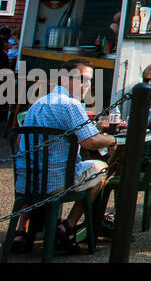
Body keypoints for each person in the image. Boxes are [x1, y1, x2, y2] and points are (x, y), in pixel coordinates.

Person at [11, 60, 114, 254]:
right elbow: (90, 142)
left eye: (90, 81)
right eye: (81, 79)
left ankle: (21, 230)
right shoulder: (70, 105)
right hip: (55, 183)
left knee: (50, 165)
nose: (86, 85)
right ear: (64, 78)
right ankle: (68, 225)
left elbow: (19, 142)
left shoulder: (39, 102)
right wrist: (112, 140)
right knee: (102, 167)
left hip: (26, 181)